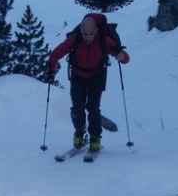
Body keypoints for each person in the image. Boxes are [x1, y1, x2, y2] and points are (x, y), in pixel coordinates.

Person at [46, 15, 130, 152]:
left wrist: (122, 56)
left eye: (90, 33)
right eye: (84, 33)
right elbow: (55, 54)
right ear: (80, 30)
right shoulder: (75, 40)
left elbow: (125, 58)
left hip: (97, 77)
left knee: (93, 109)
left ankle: (95, 137)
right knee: (77, 109)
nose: (87, 37)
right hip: (77, 77)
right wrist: (51, 69)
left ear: (96, 30)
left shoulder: (104, 41)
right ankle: (80, 131)